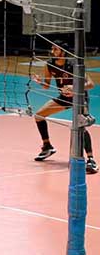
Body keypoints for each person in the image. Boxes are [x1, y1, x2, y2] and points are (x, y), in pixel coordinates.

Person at [31, 40, 97, 173]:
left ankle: (91, 160)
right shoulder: (49, 65)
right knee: (39, 116)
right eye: (52, 49)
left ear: (63, 51)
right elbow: (46, 86)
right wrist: (39, 82)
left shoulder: (74, 65)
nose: (52, 52)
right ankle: (47, 146)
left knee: (80, 125)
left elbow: (90, 84)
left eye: (55, 49)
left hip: (79, 98)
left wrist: (74, 87)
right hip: (64, 98)